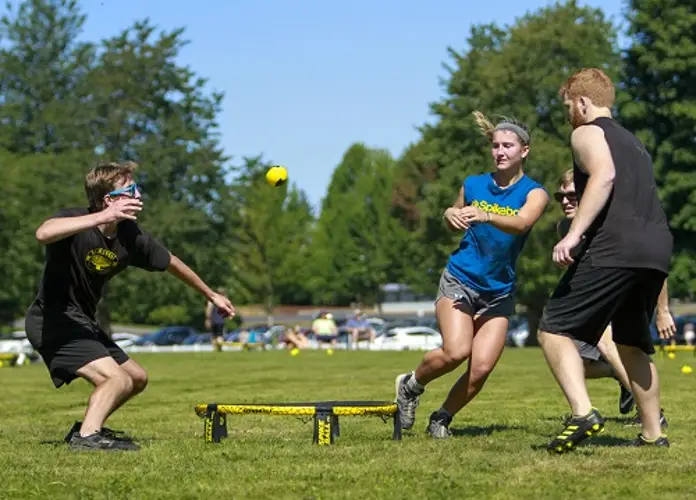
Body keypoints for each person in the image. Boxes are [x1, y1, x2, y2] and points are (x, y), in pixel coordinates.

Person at [26, 161, 235, 452]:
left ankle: (88, 428)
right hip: (53, 320)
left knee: (136, 379)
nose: (138, 195)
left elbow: (172, 262)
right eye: (130, 190)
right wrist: (101, 216)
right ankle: (88, 438)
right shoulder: (74, 219)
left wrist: (211, 295)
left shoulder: (130, 236)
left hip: (83, 322)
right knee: (117, 379)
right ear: (108, 200)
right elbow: (43, 233)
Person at [538, 68, 676, 453]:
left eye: (568, 107)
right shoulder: (635, 143)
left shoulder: (586, 132)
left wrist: (573, 234)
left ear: (582, 102)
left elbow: (604, 176)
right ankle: (653, 434)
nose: (568, 115)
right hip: (655, 248)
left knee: (553, 329)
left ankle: (582, 412)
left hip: (615, 246)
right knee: (632, 343)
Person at [394, 111, 549, 439]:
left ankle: (442, 418)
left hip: (499, 292)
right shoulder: (474, 184)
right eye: (495, 146)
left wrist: (486, 214)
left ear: (525, 151)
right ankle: (410, 386)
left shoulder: (535, 193)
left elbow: (522, 222)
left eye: (508, 145)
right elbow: (453, 215)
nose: (500, 152)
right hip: (460, 279)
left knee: (479, 370)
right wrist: (450, 214)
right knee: (456, 351)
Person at [555, 170, 635, 415]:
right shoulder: (565, 228)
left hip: (620, 297)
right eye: (560, 197)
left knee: (606, 341)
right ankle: (619, 373)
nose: (565, 202)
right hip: (590, 298)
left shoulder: (610, 223)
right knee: (574, 364)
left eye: (572, 195)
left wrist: (663, 311)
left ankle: (652, 414)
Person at [205, 287, 228, 351]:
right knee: (220, 335)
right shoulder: (224, 300)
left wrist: (207, 319)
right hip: (221, 320)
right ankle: (220, 348)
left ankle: (214, 348)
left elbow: (208, 309)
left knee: (214, 335)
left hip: (214, 320)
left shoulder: (212, 299)